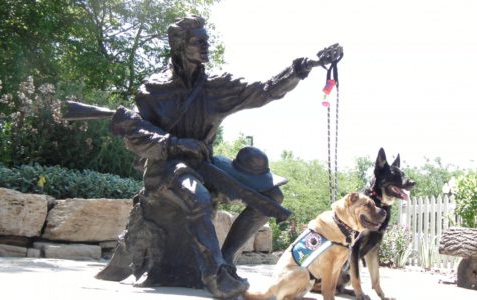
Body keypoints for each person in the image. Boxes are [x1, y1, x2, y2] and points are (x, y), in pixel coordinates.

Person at [108, 15, 343, 299]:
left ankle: (226, 259)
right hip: (166, 166)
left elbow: (264, 91)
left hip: (204, 165)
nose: (206, 46)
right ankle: (215, 276)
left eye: (207, 40)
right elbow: (137, 137)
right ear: (179, 45)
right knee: (198, 197)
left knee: (271, 197)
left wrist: (301, 68)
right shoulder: (154, 91)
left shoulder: (217, 86)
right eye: (199, 41)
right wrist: (177, 143)